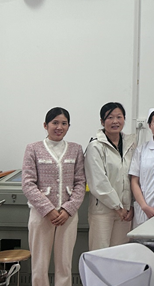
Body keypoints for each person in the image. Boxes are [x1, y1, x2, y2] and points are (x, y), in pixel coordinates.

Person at [22, 107, 86, 286]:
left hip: (68, 216)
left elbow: (80, 182)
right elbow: (28, 183)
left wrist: (68, 209)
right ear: (46, 125)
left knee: (65, 264)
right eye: (55, 123)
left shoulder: (76, 149)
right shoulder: (33, 149)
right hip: (41, 214)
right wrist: (48, 209)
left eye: (64, 123)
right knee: (39, 264)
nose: (59, 127)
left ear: (68, 126)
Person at [84, 102, 136, 250]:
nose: (115, 121)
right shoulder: (95, 146)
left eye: (119, 117)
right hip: (103, 211)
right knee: (100, 252)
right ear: (102, 121)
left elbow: (135, 177)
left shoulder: (131, 144)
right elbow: (98, 182)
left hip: (126, 211)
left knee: (120, 253)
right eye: (110, 117)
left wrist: (132, 205)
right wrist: (117, 206)